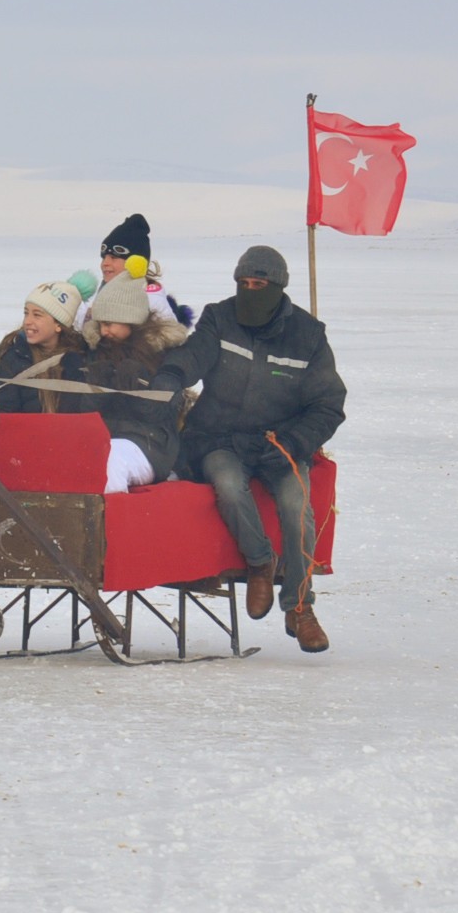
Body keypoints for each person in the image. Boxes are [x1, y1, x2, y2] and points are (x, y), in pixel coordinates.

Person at [146, 246, 346, 652]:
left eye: (260, 284)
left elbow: (328, 406)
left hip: (281, 442)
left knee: (296, 505)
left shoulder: (308, 336)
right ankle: (259, 563)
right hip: (221, 437)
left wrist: (294, 441)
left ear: (278, 287)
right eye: (244, 283)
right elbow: (194, 356)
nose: (250, 291)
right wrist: (170, 376)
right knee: (228, 484)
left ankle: (299, 606)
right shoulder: (221, 317)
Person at [79, 273, 190, 493]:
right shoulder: (95, 351)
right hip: (102, 438)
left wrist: (136, 387)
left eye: (109, 324)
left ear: (130, 319)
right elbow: (83, 412)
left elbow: (162, 413)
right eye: (100, 324)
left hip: (151, 444)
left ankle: (110, 523)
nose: (103, 331)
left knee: (112, 463)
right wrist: (97, 390)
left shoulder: (164, 354)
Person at [77, 214, 192, 332]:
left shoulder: (151, 298)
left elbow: (168, 336)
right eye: (103, 257)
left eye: (114, 257)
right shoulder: (106, 291)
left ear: (136, 262)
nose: (104, 263)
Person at [0, 281, 90, 414]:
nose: (27, 321)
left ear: (58, 324)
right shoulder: (11, 359)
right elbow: (2, 411)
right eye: (26, 313)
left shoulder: (82, 357)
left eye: (37, 315)